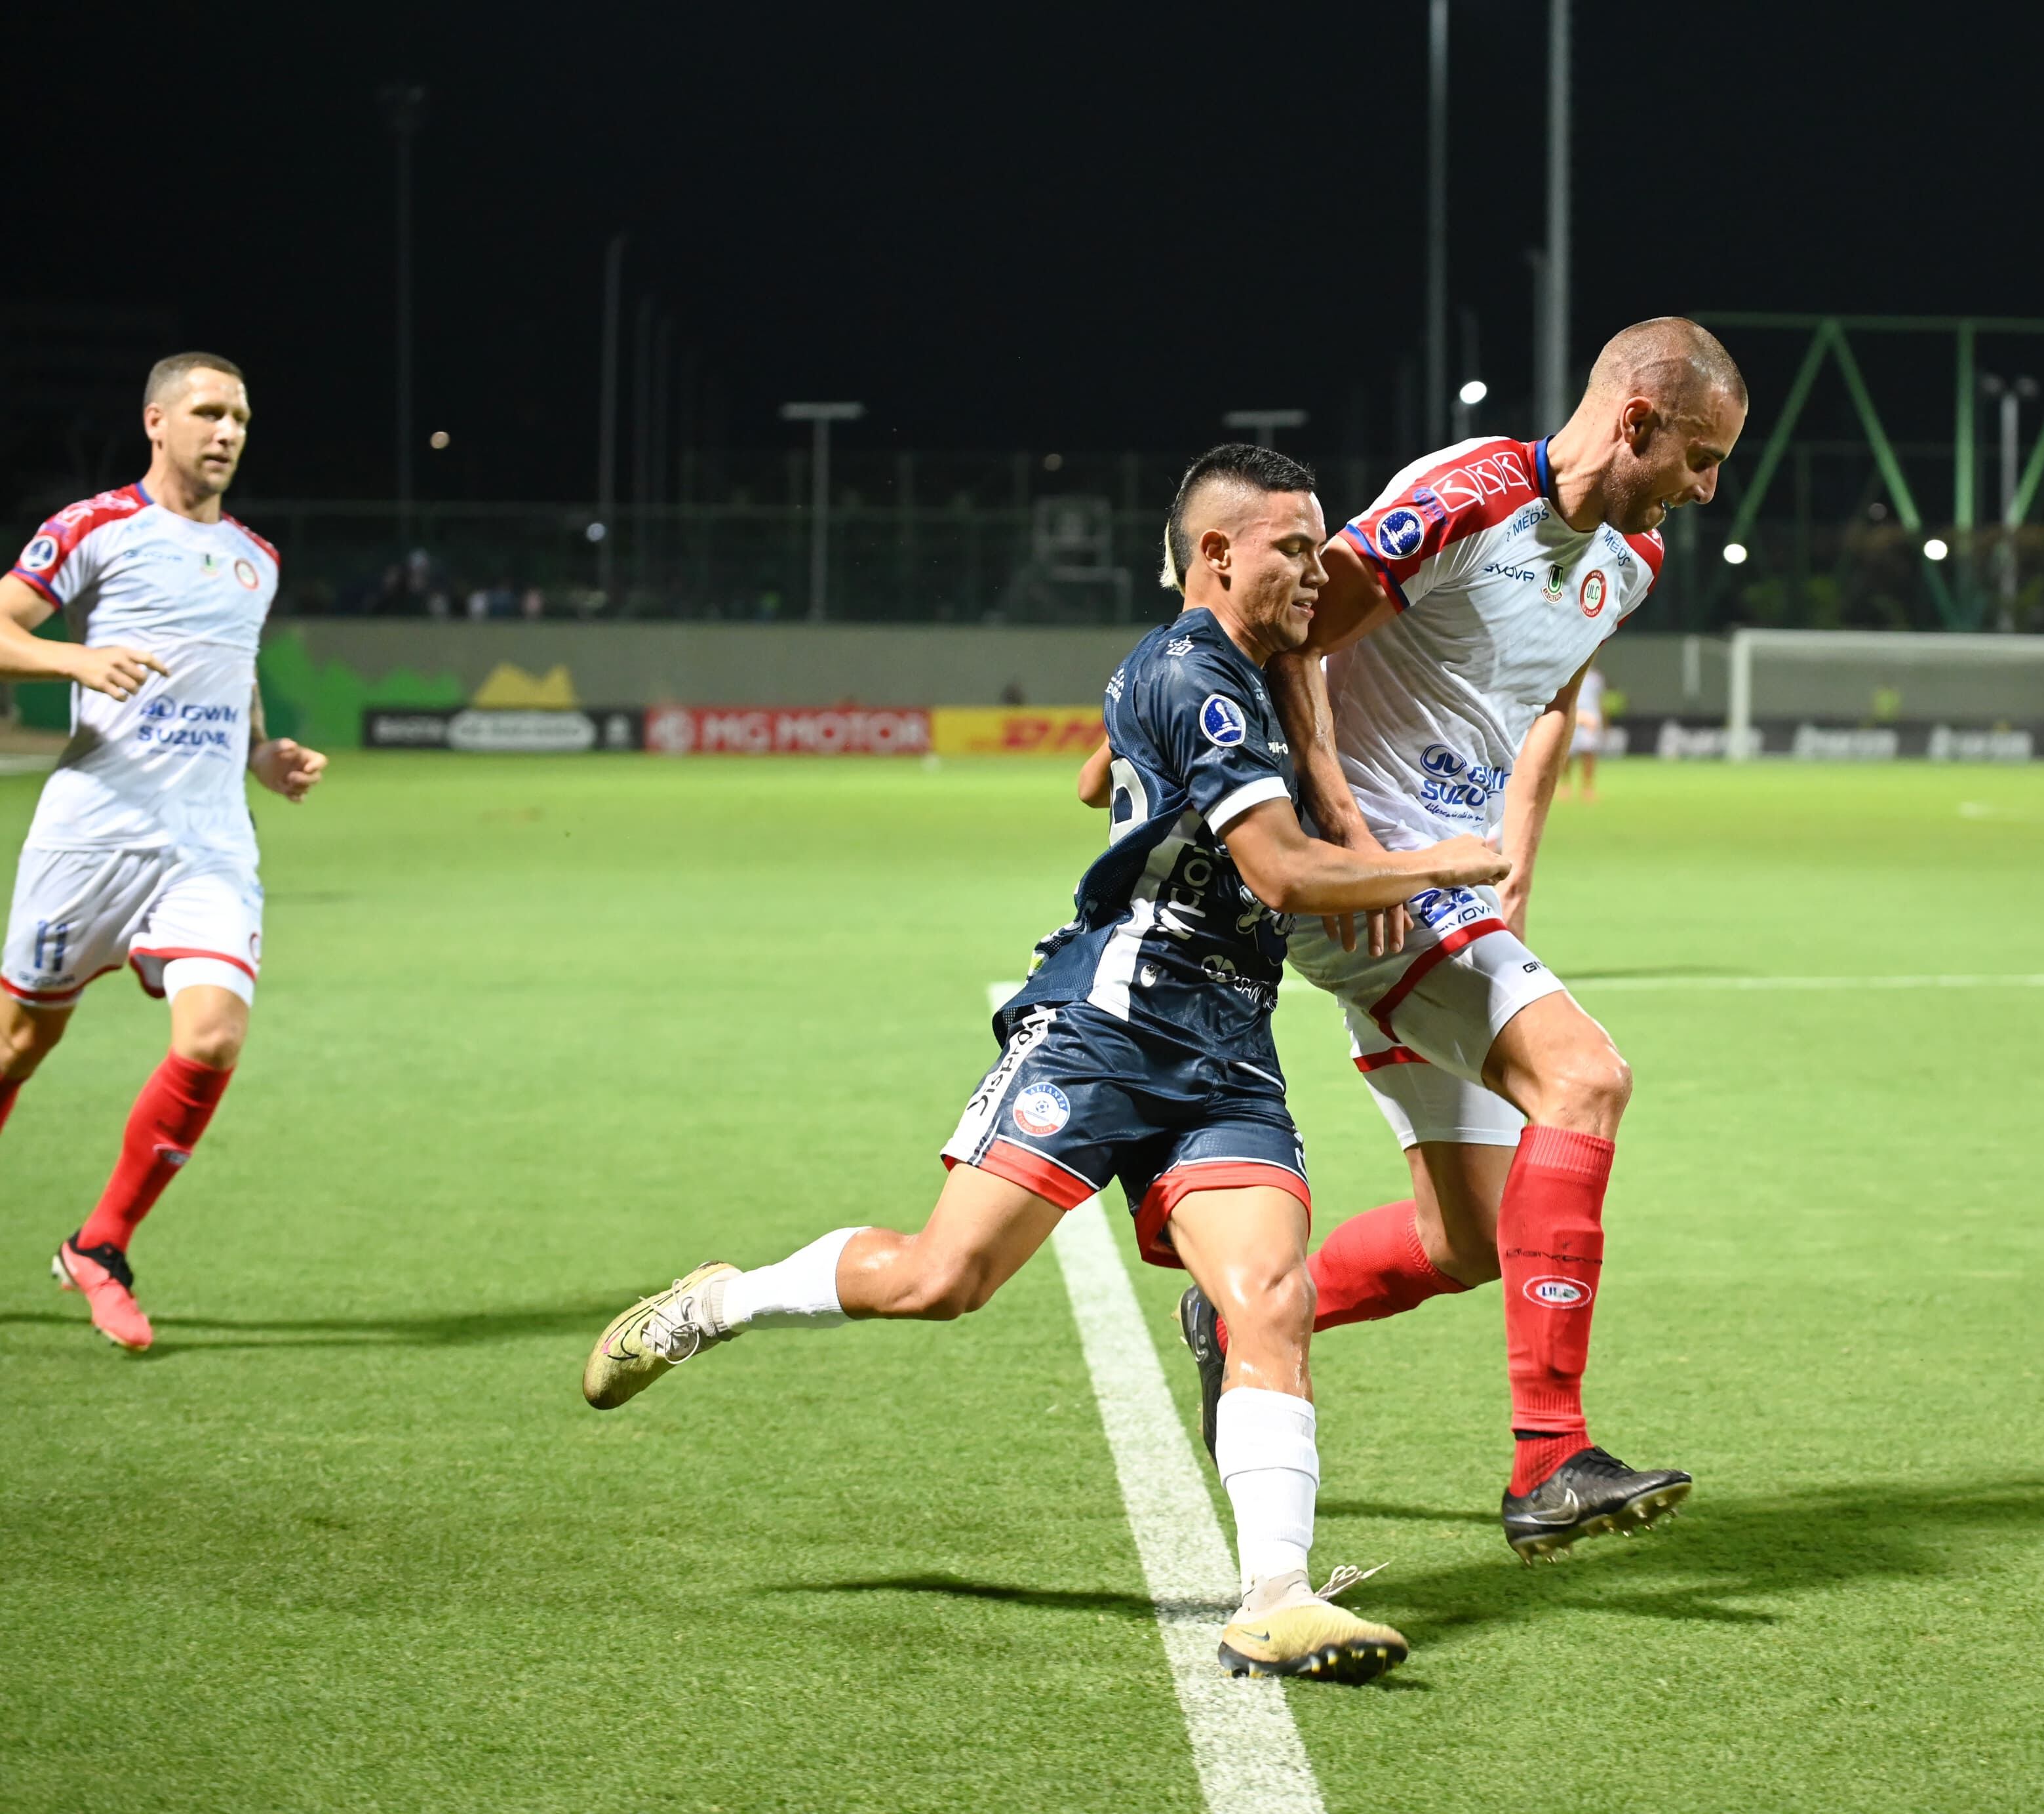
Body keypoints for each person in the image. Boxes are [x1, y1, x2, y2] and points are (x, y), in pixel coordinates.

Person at [583, 446, 1506, 1685]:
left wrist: (1174, 749)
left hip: (1229, 1045)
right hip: (1108, 1025)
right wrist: (1441, 863)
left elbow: (1096, 780)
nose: (1319, 566)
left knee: (1272, 1299)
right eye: (1296, 547)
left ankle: (1277, 1594)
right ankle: (718, 1301)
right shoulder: (1196, 672)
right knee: (940, 1278)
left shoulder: (1229, 671)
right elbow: (1284, 875)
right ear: (1217, 555)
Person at [1238, 317, 1744, 1560]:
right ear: (1635, 421)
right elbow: (1292, 629)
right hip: (1371, 876)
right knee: (1584, 1077)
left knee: (1465, 1237)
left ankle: (1242, 1315)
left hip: (1445, 880)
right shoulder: (1470, 495)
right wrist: (1342, 828)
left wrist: (1517, 858)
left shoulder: (1630, 560)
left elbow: (1549, 702)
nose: (1708, 487)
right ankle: (1551, 1459)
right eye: (1700, 455)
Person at [0, 353, 327, 1351]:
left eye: (240, 415)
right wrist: (75, 657)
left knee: (213, 1036)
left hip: (208, 842)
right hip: (92, 833)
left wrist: (266, 753)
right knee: (19, 1043)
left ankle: (101, 1244)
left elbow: (237, 681)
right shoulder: (95, 527)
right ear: (156, 421)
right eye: (208, 411)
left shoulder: (257, 556)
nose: (227, 430)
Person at [1563, 665, 1609, 799]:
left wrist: (1604, 722)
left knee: (1589, 752)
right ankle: (1566, 784)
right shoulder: (1569, 672)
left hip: (1591, 717)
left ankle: (1588, 787)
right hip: (1573, 714)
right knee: (1567, 753)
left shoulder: (1596, 678)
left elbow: (1601, 701)